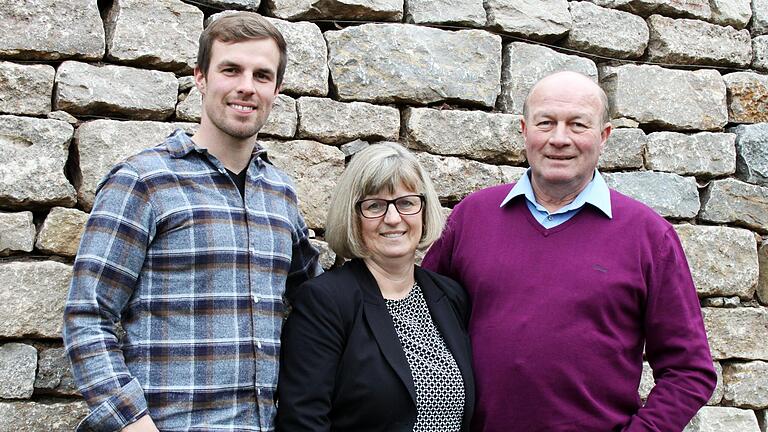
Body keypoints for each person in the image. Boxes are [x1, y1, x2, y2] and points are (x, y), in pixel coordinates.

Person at [63, 12, 320, 431]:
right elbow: (87, 315)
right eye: (231, 69)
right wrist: (132, 422)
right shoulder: (144, 181)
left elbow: (316, 302)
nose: (246, 87)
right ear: (200, 77)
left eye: (261, 75)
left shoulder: (281, 193)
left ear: (276, 89)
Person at [422, 71, 717, 431]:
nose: (559, 139)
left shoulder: (649, 237)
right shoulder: (472, 218)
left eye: (578, 125)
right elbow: (421, 329)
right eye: (545, 123)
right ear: (524, 130)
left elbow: (689, 371)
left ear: (604, 136)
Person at [277, 142, 475, 432]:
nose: (393, 219)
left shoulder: (451, 297)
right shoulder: (325, 302)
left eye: (406, 202)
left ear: (423, 209)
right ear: (353, 218)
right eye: (374, 206)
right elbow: (303, 421)